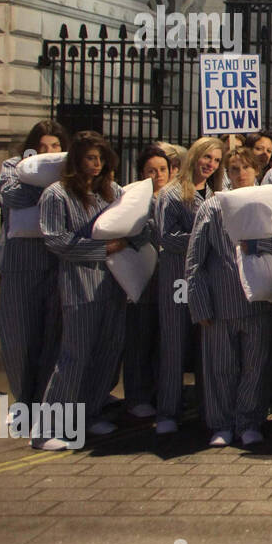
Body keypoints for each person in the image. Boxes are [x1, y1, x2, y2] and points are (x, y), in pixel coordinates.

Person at [36, 132, 149, 448]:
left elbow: (133, 226)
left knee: (108, 351)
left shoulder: (109, 192)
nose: (96, 165)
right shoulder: (57, 195)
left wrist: (126, 244)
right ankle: (48, 428)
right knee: (74, 356)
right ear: (76, 160)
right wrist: (102, 249)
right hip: (79, 286)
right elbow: (57, 240)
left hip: (113, 286)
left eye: (101, 159)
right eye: (90, 158)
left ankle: (90, 412)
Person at [184, 146, 272, 447]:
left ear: (256, 170)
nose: (240, 174)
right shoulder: (212, 206)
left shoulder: (267, 202)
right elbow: (194, 258)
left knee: (255, 367)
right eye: (233, 169)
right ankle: (221, 424)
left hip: (259, 302)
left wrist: (262, 248)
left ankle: (249, 421)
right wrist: (199, 303)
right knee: (220, 368)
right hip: (220, 303)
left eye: (246, 168)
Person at [0, 121, 68, 431]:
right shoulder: (13, 166)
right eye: (43, 147)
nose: (49, 153)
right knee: (18, 336)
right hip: (19, 264)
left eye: (55, 147)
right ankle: (23, 401)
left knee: (52, 335)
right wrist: (48, 183)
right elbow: (11, 196)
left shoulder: (68, 169)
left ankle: (45, 400)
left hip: (55, 260)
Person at [153, 136, 225, 435]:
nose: (210, 164)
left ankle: (210, 410)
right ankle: (168, 411)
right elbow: (165, 237)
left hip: (207, 278)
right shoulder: (171, 194)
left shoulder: (217, 193)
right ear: (194, 157)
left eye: (217, 160)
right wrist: (202, 238)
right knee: (174, 342)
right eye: (207, 157)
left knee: (206, 344)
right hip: (177, 276)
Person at [117, 145, 172, 419]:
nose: (158, 175)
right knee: (139, 336)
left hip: (169, 276)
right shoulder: (133, 198)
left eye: (163, 169)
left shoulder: (174, 197)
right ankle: (137, 396)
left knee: (163, 339)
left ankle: (159, 392)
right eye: (152, 170)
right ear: (142, 173)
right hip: (141, 277)